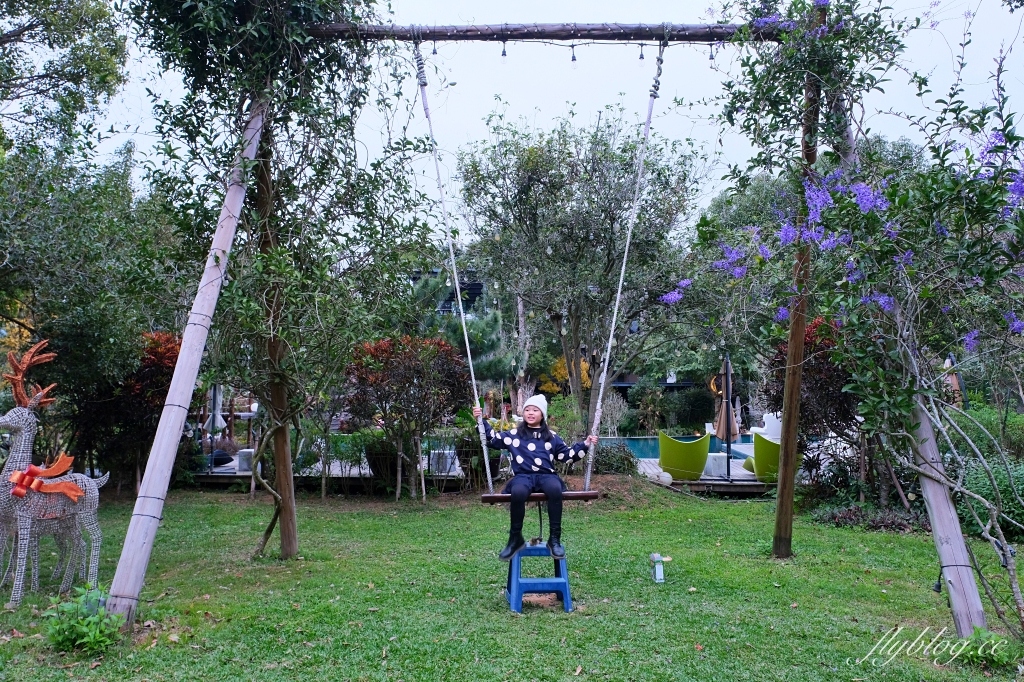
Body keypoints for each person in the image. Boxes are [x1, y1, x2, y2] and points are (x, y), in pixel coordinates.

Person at [473, 394, 597, 561]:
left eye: (535, 410)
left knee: (555, 489)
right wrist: (480, 421)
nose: (530, 413)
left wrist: (585, 444)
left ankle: (554, 539)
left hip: (546, 475)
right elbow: (493, 439)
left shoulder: (551, 436)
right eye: (527, 410)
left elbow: (567, 456)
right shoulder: (514, 435)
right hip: (523, 476)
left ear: (542, 414)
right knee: (517, 491)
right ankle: (515, 538)